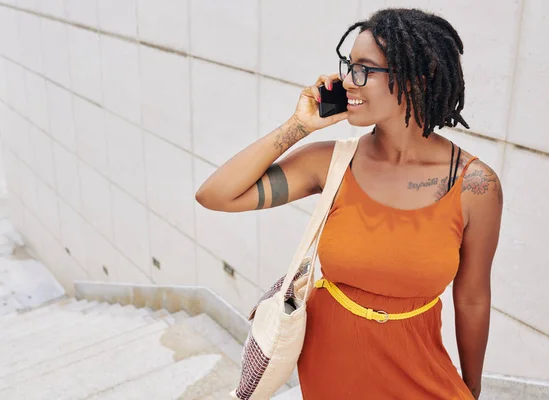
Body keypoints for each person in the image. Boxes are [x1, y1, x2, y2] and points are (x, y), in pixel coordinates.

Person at [196, 7, 502, 400]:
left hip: (420, 370)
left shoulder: (475, 186)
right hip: (332, 366)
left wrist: (471, 387)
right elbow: (215, 194)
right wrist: (300, 127)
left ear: (416, 78)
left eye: (364, 69)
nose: (346, 81)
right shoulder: (331, 163)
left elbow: (473, 296)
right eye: (347, 65)